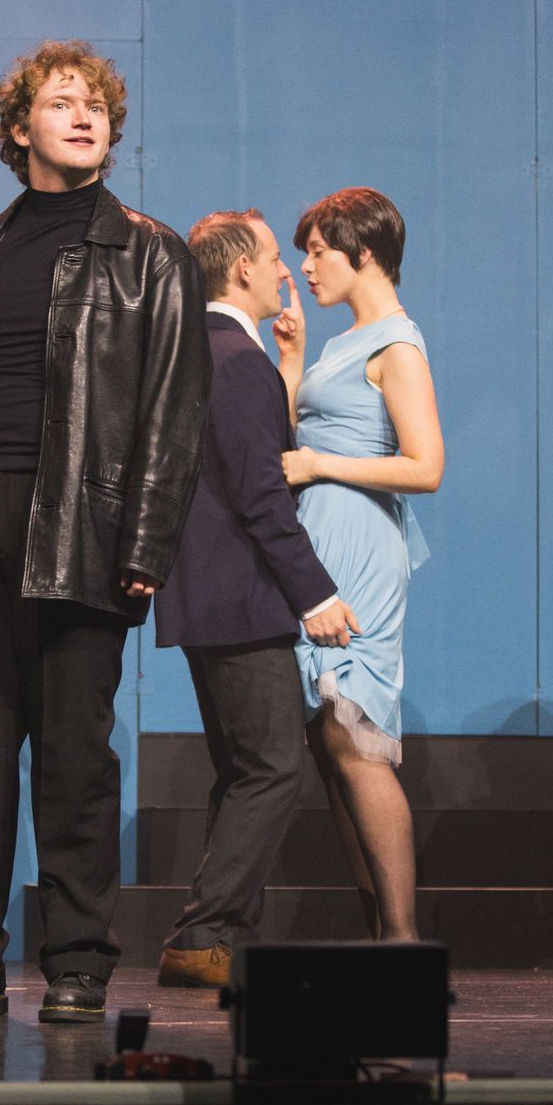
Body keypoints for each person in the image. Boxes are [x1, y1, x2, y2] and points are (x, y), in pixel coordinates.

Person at [0, 40, 209, 1023]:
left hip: (81, 531)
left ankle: (78, 962)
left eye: (96, 104)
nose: (85, 115)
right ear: (20, 128)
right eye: (63, 102)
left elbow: (174, 413)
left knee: (73, 763)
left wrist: (145, 543)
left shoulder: (151, 254)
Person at [153, 209, 361, 987]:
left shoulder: (198, 352)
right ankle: (204, 932)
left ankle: (219, 936)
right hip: (240, 595)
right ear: (241, 268)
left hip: (204, 595)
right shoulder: (236, 361)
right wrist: (316, 595)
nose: (285, 271)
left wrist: (291, 363)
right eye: (275, 257)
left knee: (245, 769)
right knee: (273, 766)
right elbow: (261, 493)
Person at [276, 187, 444, 943]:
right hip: (323, 535)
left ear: (364, 252)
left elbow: (425, 466)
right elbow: (295, 445)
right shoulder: (346, 340)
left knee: (355, 737)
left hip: (361, 545)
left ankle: (402, 941)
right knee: (330, 744)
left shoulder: (396, 345)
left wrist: (322, 464)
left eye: (318, 251)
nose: (307, 267)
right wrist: (291, 361)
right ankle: (381, 935)